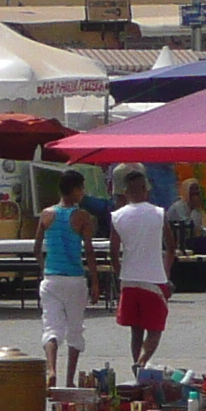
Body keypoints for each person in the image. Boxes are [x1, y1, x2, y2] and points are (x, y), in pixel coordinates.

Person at [35, 170, 99, 387]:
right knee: (75, 330)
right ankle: (70, 379)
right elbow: (89, 251)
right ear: (74, 190)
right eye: (81, 189)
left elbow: (36, 248)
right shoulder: (82, 217)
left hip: (51, 278)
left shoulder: (46, 214)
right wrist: (96, 281)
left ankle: (51, 369)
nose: (83, 193)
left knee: (51, 327)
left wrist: (45, 268)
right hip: (74, 279)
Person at [109, 166, 171, 371]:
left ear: (125, 192)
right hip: (153, 279)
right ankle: (141, 362)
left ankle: (139, 371)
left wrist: (120, 275)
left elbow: (113, 252)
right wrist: (167, 271)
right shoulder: (159, 214)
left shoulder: (117, 217)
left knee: (136, 331)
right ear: (146, 189)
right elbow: (172, 246)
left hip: (129, 280)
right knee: (155, 329)